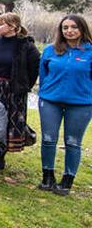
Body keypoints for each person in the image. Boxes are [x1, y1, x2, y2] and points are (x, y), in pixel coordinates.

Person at [37, 14, 92, 196]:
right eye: (65, 28)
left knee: (73, 142)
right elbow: (43, 75)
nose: (69, 31)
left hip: (80, 104)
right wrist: (46, 92)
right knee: (48, 139)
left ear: (82, 28)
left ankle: (67, 180)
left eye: (73, 27)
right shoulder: (50, 50)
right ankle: (48, 176)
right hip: (50, 101)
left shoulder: (89, 51)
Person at [0, 13, 40, 152]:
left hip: (12, 90)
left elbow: (33, 70)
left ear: (13, 26)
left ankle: (2, 152)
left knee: (8, 122)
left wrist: (22, 87)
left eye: (1, 24)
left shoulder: (26, 46)